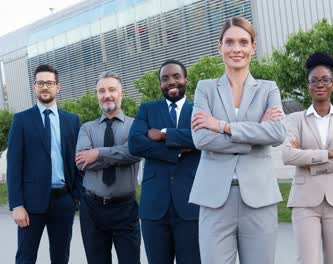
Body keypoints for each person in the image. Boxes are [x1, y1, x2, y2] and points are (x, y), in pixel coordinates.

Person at [189, 16, 287, 264]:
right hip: (214, 199)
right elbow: (201, 138)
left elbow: (276, 133)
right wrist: (255, 135)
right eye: (229, 42)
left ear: (253, 47)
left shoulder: (268, 89)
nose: (236, 49)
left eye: (243, 42)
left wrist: (223, 126)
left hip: (259, 198)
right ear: (219, 45)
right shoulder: (205, 88)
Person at [282, 52, 333, 264]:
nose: (320, 84)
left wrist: (310, 163)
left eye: (325, 80)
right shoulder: (295, 120)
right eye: (314, 80)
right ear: (308, 86)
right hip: (304, 201)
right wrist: (332, 153)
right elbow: (288, 155)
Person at [7, 64, 81, 264]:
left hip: (64, 201)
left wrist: (76, 197)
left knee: (61, 257)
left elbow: (78, 161)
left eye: (49, 83)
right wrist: (17, 205)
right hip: (30, 205)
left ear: (58, 87)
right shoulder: (21, 120)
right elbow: (13, 165)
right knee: (25, 257)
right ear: (34, 87)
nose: (45, 87)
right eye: (40, 83)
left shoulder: (72, 121)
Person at [129, 60, 201, 264]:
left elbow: (201, 138)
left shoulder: (199, 110)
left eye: (176, 76)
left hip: (190, 205)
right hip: (154, 207)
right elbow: (135, 144)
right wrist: (177, 152)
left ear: (186, 80)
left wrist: (164, 135)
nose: (171, 82)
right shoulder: (147, 109)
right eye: (165, 78)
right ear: (160, 83)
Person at [75, 71, 141, 264]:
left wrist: (97, 153)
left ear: (122, 93)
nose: (107, 95)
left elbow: (135, 152)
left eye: (112, 89)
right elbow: (81, 161)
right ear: (97, 95)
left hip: (125, 209)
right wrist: (119, 154)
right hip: (92, 209)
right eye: (101, 91)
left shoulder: (136, 126)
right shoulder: (86, 128)